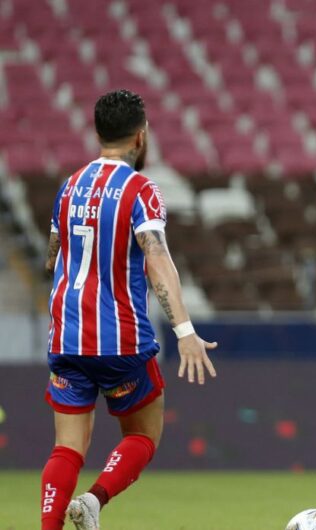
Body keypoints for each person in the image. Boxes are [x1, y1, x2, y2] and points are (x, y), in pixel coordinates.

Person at [39, 89, 218, 530]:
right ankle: (95, 501)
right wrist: (184, 330)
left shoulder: (70, 185)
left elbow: (51, 255)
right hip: (119, 338)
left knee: (67, 448)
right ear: (141, 136)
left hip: (67, 335)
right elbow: (155, 256)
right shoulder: (140, 189)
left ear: (99, 133)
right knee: (142, 434)